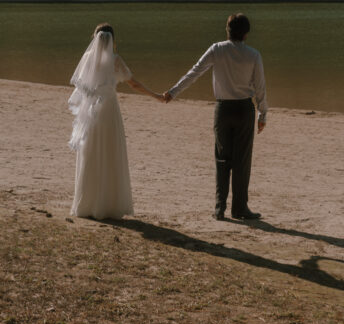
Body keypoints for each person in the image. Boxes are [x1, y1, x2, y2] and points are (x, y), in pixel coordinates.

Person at [163, 12, 267, 221]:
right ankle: (239, 208)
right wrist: (263, 113)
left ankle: (220, 208)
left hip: (222, 110)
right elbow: (260, 87)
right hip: (245, 109)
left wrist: (173, 92)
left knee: (222, 158)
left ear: (227, 31)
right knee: (242, 161)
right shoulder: (254, 55)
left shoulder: (217, 49)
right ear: (246, 34)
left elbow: (195, 72)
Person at [68, 22, 164, 220]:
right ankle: (109, 205)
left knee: (91, 152)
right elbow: (134, 84)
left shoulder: (86, 59)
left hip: (91, 112)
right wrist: (156, 95)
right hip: (109, 111)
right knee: (110, 151)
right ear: (113, 40)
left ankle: (87, 204)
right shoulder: (115, 60)